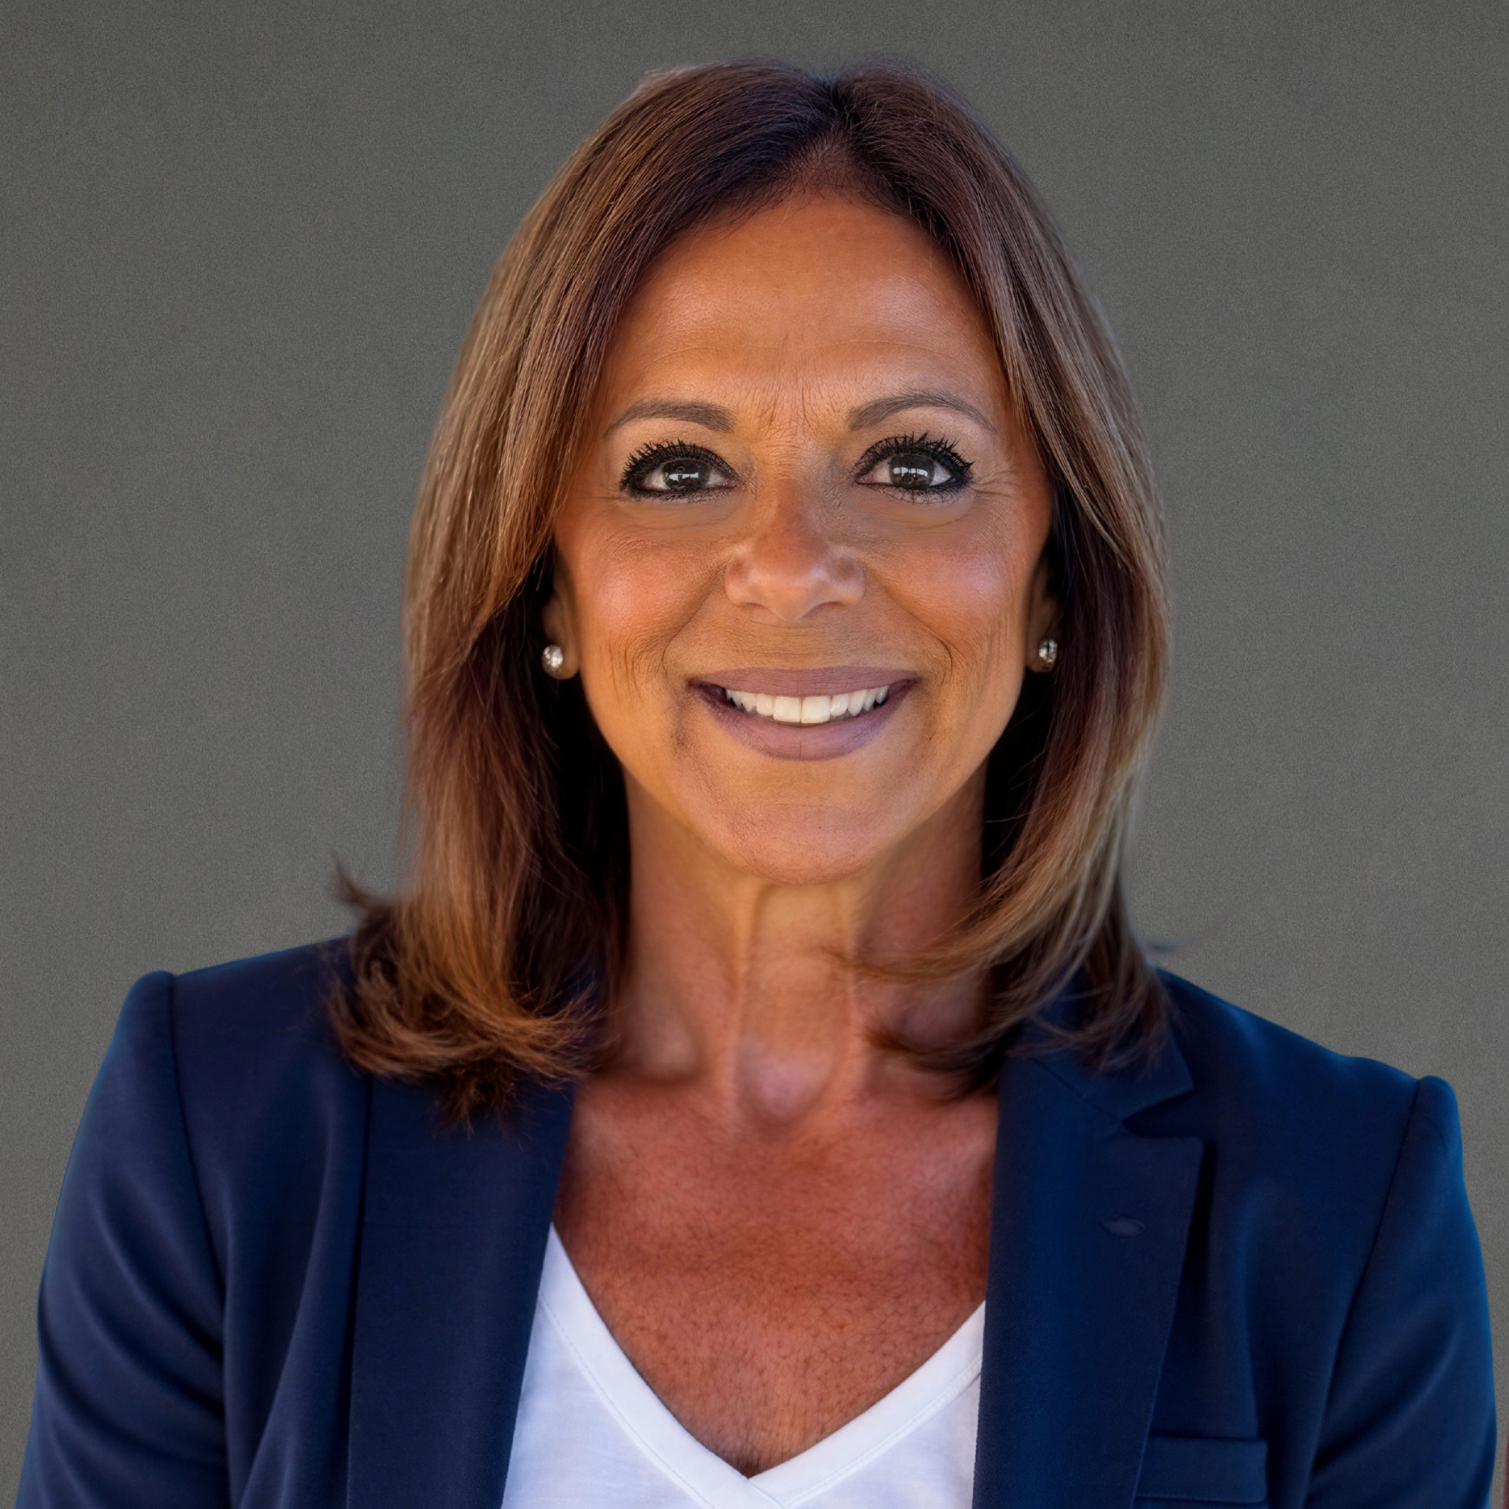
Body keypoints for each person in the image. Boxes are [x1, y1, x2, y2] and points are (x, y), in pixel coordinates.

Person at [17, 60, 1494, 1509]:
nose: (792, 564)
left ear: (1054, 575)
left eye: (913, 466)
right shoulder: (221, 1132)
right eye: (676, 470)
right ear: (550, 584)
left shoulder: (1339, 1206)